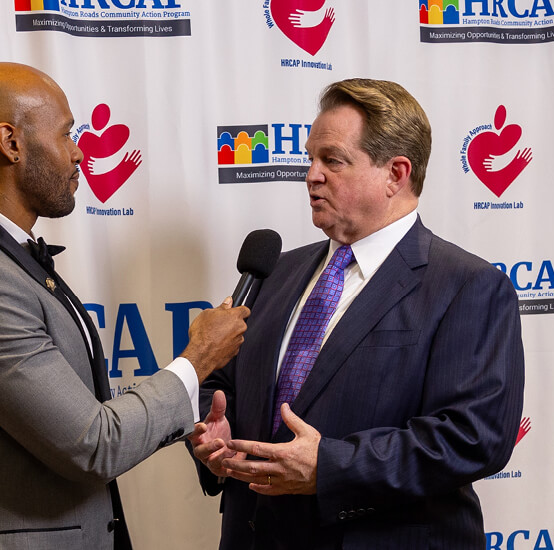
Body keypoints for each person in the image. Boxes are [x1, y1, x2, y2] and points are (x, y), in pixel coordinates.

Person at [0, 62, 249, 550]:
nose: (79, 152)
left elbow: (70, 415)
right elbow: (92, 445)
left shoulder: (0, 253)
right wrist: (197, 362)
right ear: (11, 143)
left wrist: (185, 414)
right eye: (68, 134)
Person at [189, 78, 524, 549]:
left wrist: (329, 467)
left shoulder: (469, 286)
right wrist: (213, 428)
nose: (311, 175)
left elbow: (474, 437)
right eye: (310, 158)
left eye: (332, 160)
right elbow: (220, 383)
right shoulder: (276, 272)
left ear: (396, 173)